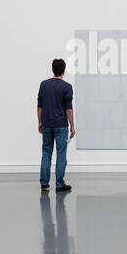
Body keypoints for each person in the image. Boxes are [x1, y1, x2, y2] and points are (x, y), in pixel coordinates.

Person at [37, 58, 75, 193]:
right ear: (64, 71)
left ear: (52, 69)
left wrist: (40, 122)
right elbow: (68, 110)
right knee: (61, 154)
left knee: (46, 152)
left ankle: (44, 182)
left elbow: (39, 106)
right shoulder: (67, 87)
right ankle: (59, 184)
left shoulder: (44, 85)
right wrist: (72, 126)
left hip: (47, 124)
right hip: (60, 125)